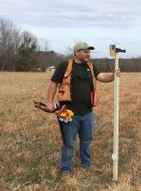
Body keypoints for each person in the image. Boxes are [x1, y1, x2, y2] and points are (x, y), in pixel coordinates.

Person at [44, 42, 119, 179]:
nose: (88, 54)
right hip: (68, 113)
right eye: (85, 52)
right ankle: (65, 169)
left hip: (87, 113)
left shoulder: (90, 67)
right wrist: (49, 102)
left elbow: (101, 77)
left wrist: (114, 75)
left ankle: (86, 164)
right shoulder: (65, 66)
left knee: (86, 140)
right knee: (68, 143)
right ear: (77, 53)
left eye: (89, 52)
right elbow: (54, 83)